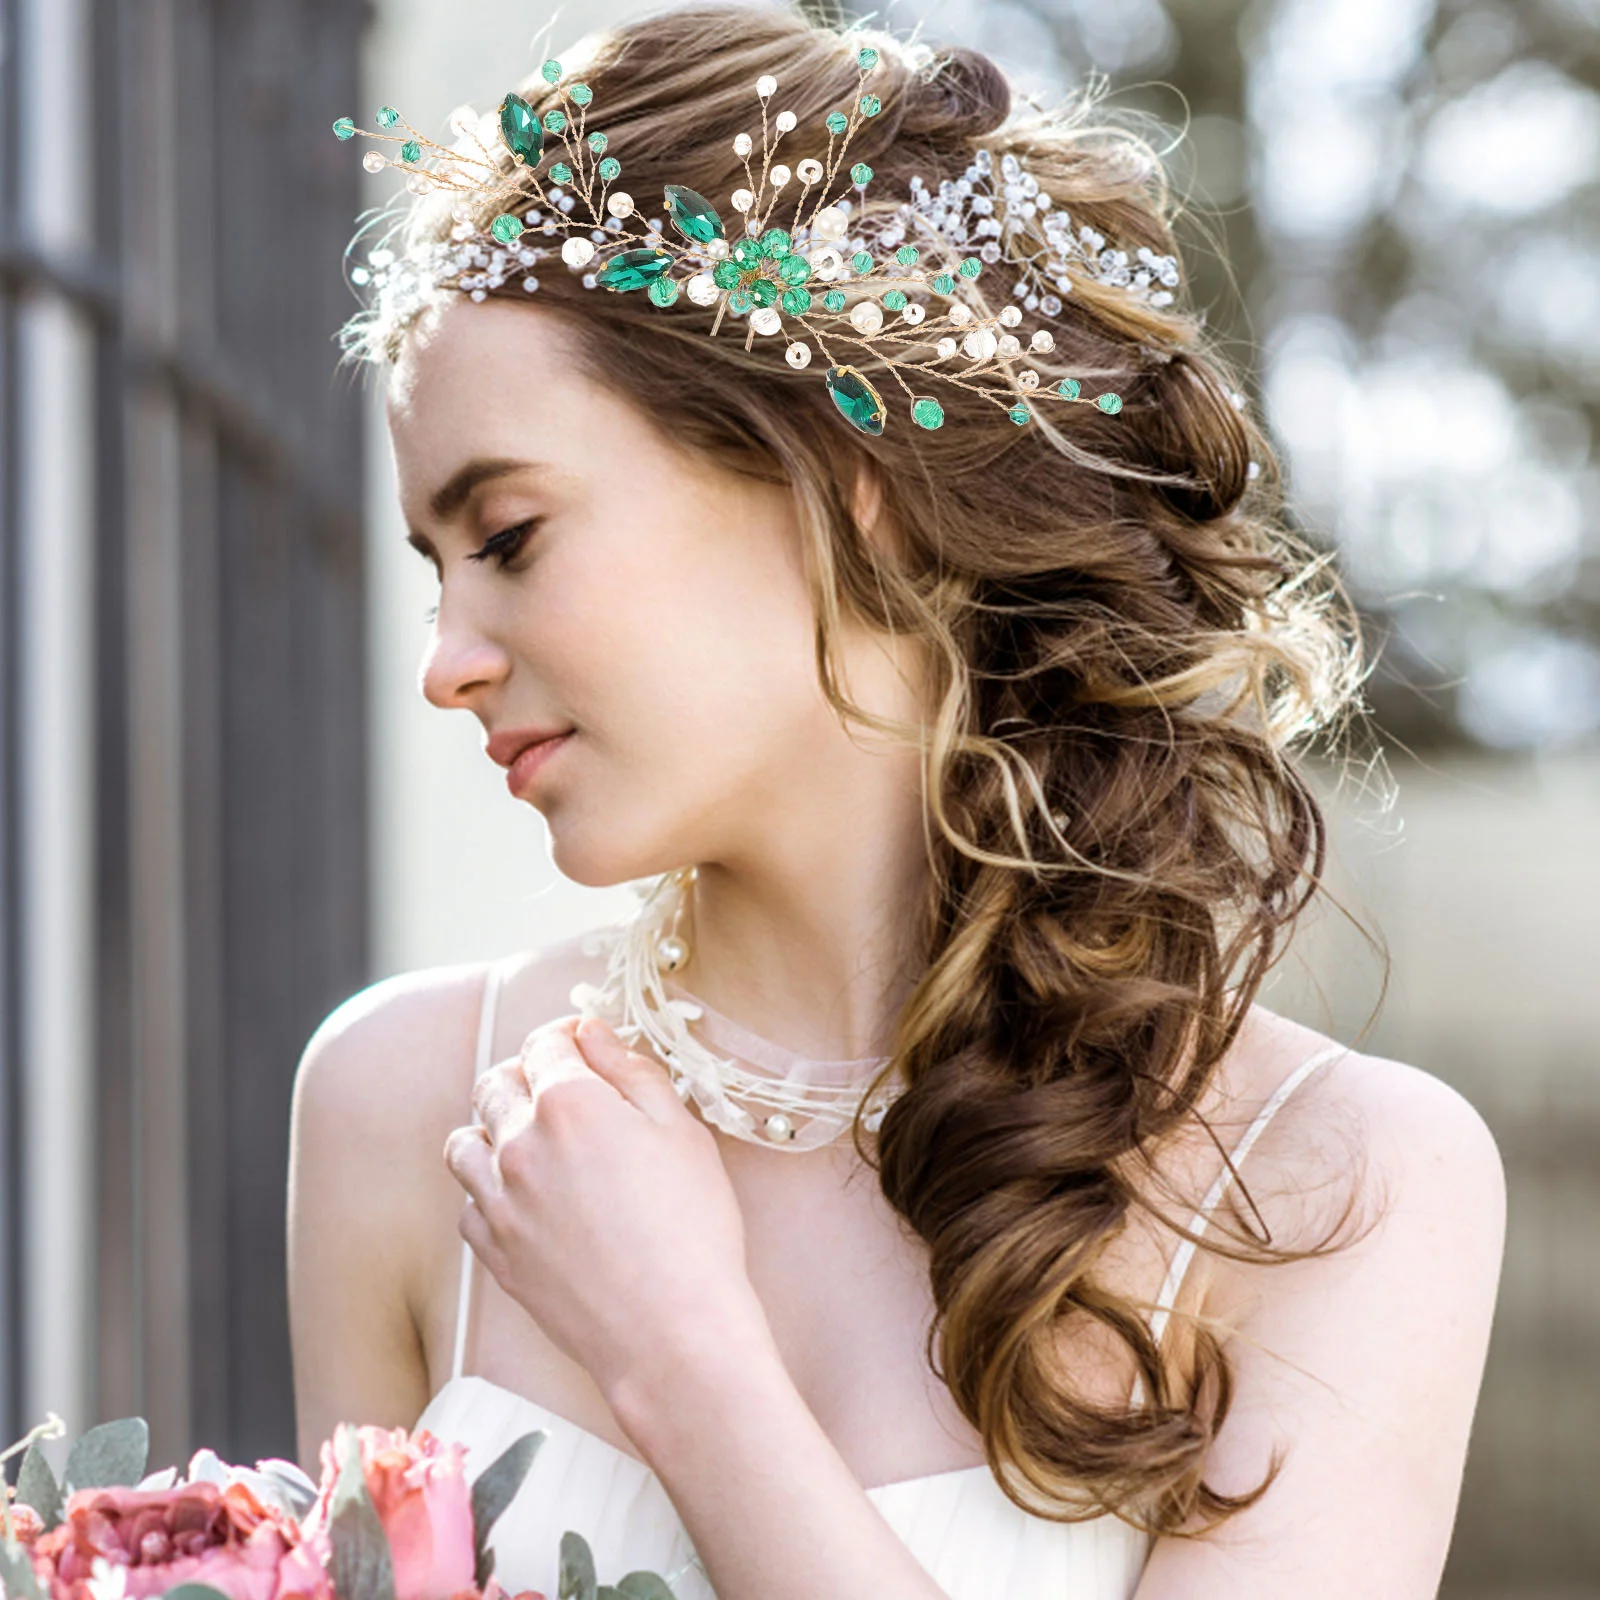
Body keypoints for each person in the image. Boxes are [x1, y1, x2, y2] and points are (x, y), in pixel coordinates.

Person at [286, 7, 1505, 1598]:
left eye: (508, 536)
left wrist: (686, 1362)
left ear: (837, 473)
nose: (449, 663)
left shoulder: (1340, 1181)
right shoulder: (406, 1110)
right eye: (432, 571)